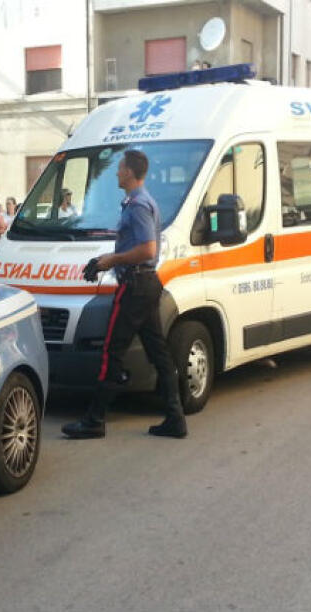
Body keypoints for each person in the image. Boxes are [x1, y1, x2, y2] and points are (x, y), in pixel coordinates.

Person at [62, 149, 187, 439]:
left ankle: (94, 420)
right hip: (145, 283)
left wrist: (113, 260)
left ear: (130, 172)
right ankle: (175, 418)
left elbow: (147, 250)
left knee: (111, 352)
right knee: (159, 353)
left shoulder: (138, 205)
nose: (117, 172)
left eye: (120, 168)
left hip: (135, 287)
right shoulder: (140, 201)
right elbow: (137, 247)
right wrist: (104, 260)